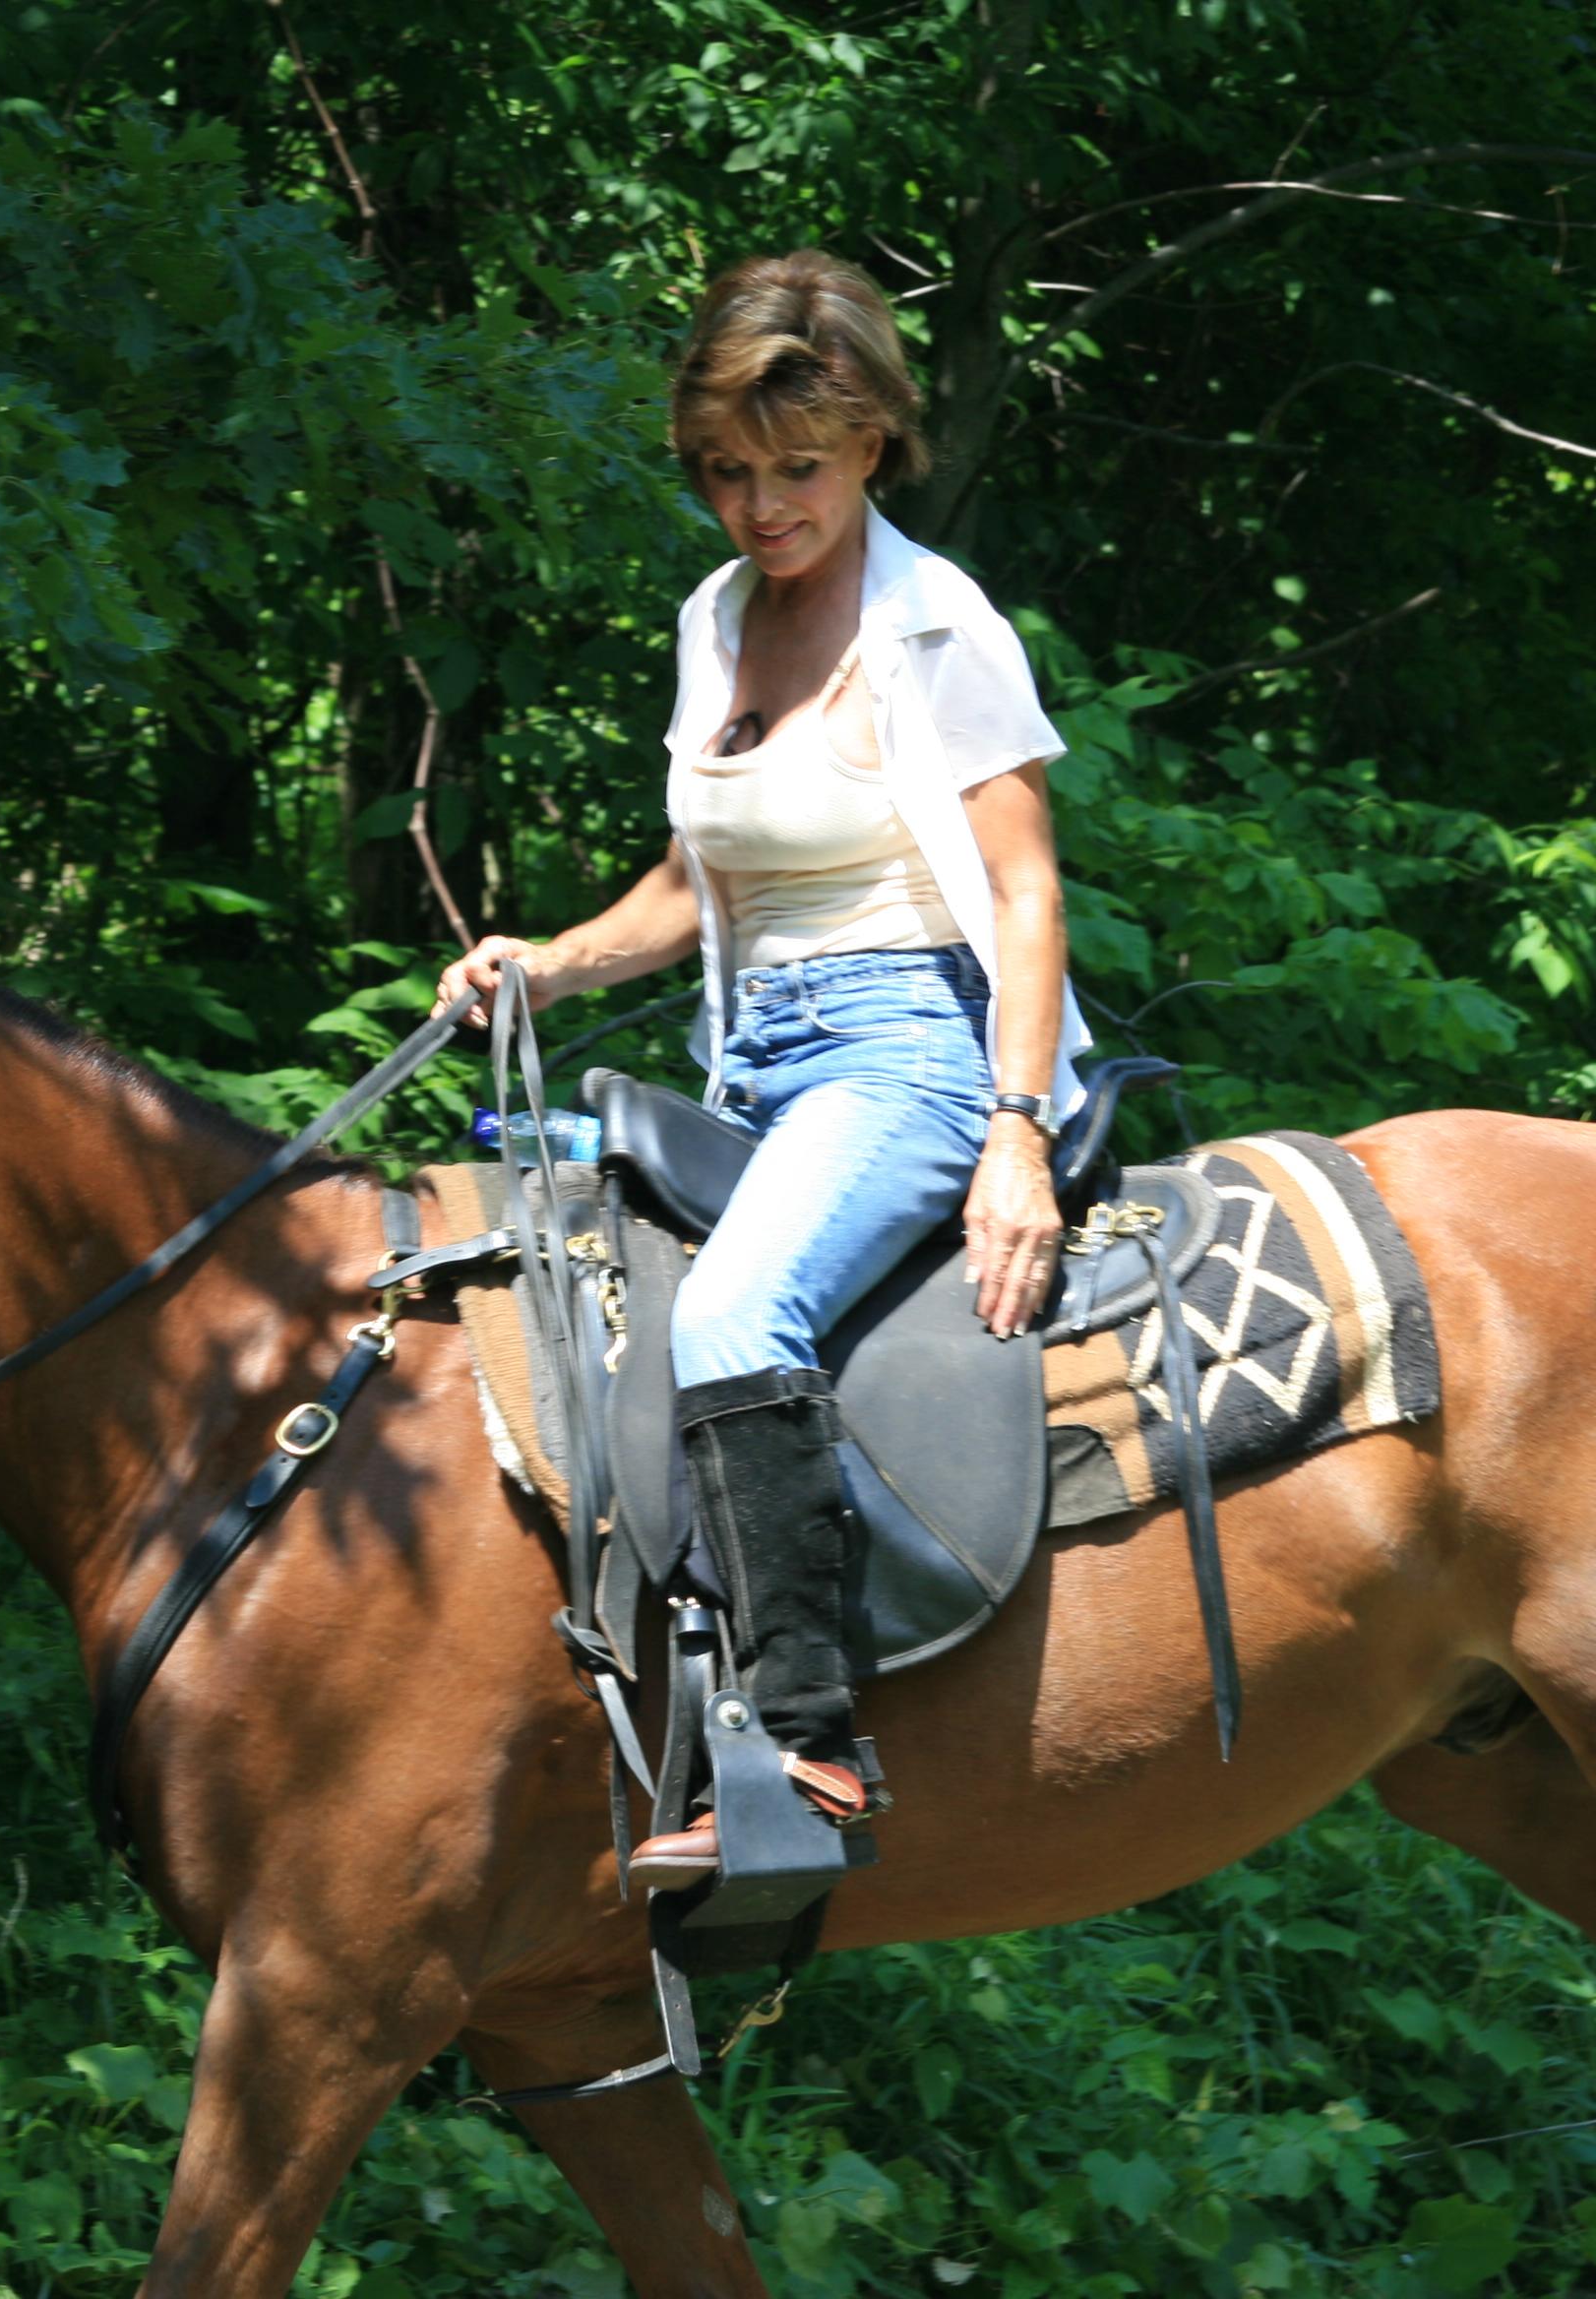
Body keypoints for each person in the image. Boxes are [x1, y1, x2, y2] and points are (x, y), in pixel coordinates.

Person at [434, 250, 1088, 1889]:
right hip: (755, 1063)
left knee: (734, 1317)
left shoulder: (937, 627)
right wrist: (545, 958)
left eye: (795, 466)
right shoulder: (714, 621)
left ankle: (807, 1754)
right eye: (728, 470)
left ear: (872, 440)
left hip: (917, 1047)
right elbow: (693, 883)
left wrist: (1016, 1129)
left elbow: (1023, 886)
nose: (760, 504)